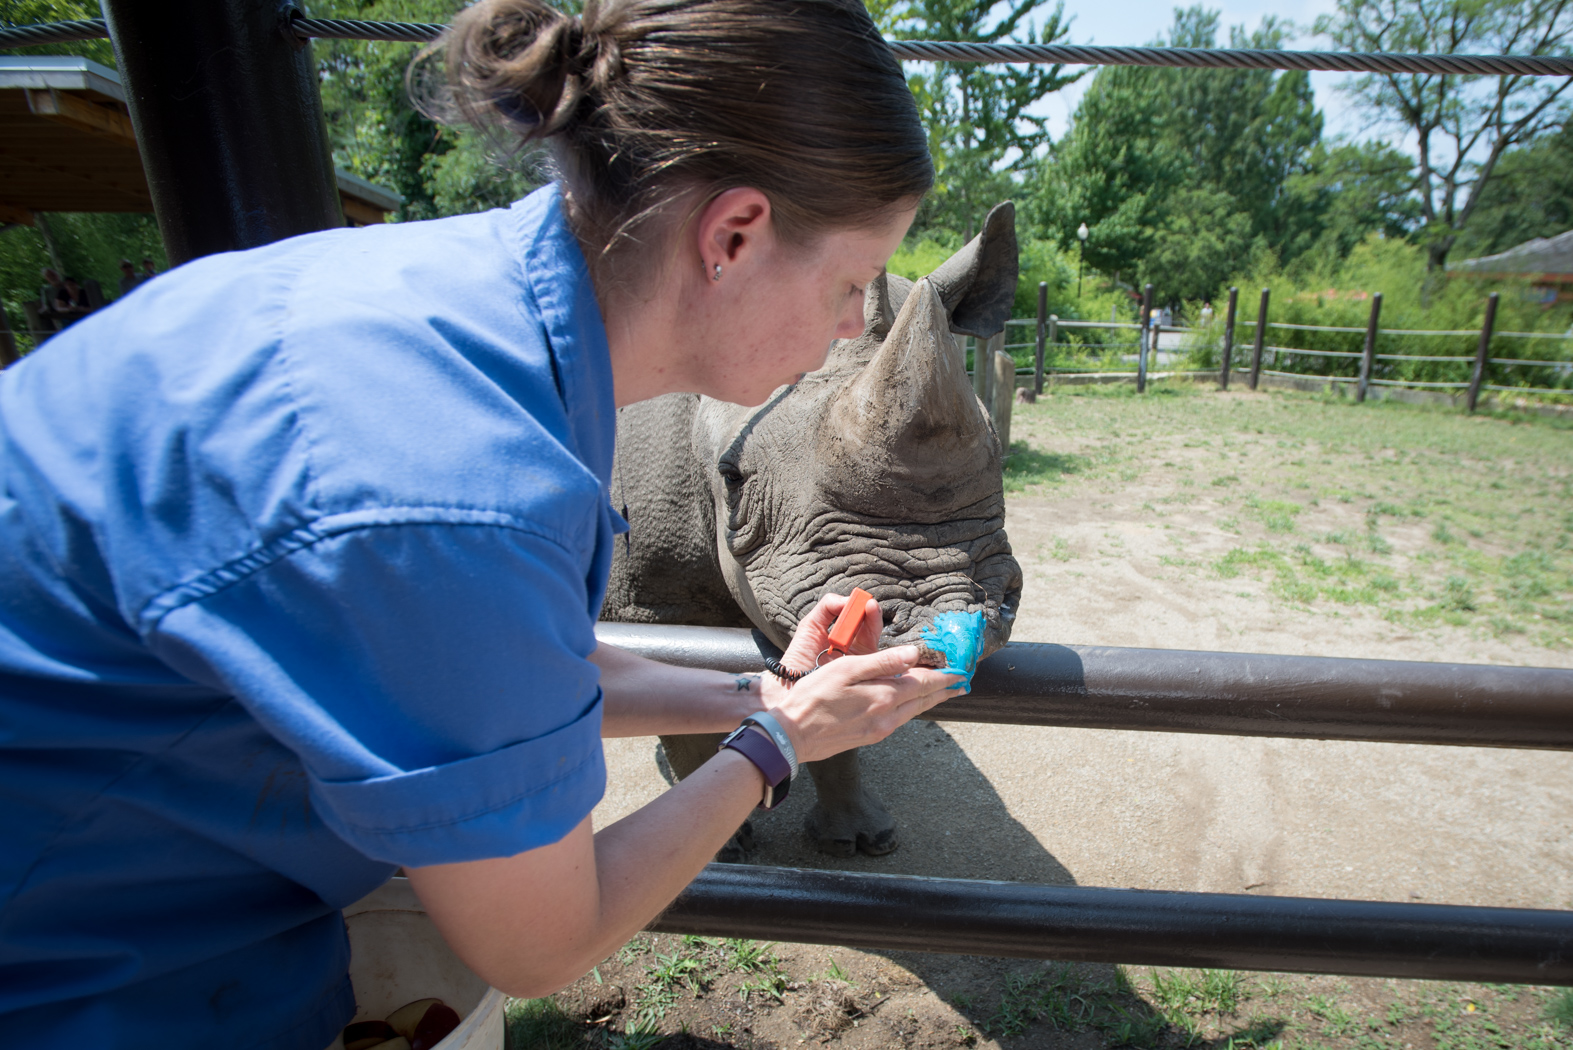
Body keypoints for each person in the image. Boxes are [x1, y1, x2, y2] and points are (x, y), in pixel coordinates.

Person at [0, 0, 956, 1046]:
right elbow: (542, 944)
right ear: (733, 235)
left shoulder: (459, 323)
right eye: (854, 283)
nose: (852, 327)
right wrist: (775, 746)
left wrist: (764, 688)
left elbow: (506, 678)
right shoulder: (457, 488)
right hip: (77, 981)